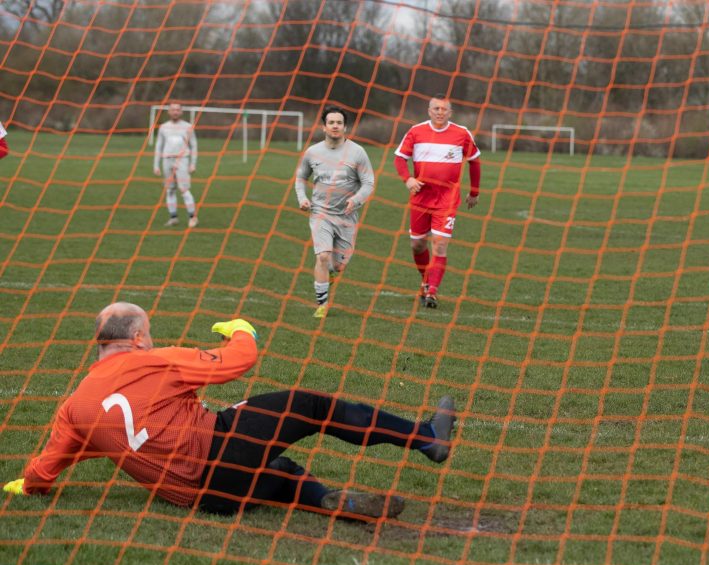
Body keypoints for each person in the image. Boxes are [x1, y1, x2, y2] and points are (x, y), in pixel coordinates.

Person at [2, 302, 456, 520]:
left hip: (206, 500)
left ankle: (337, 504)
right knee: (312, 406)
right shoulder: (151, 360)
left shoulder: (74, 405)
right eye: (150, 332)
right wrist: (241, 330)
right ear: (137, 338)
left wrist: (30, 483)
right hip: (217, 450)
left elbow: (53, 461)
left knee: (278, 467)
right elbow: (239, 362)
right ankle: (427, 438)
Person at [394, 94, 481, 309]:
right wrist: (408, 179)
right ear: (429, 110)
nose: (440, 113)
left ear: (450, 112)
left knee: (440, 246)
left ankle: (432, 291)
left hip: (447, 199)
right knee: (417, 245)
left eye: (444, 109)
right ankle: (425, 281)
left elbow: (474, 162)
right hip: (421, 197)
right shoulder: (416, 131)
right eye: (436, 109)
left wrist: (474, 192)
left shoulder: (461, 133)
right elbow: (399, 159)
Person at [295, 106, 375, 319]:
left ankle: (329, 274)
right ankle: (322, 304)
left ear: (345, 127)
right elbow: (301, 177)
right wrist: (302, 198)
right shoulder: (312, 152)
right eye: (331, 122)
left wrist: (356, 199)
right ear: (324, 127)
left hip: (347, 216)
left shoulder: (358, 152)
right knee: (322, 257)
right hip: (320, 212)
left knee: (338, 266)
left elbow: (369, 182)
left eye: (339, 122)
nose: (335, 126)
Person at [153, 103, 199, 228]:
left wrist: (193, 163)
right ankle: (173, 217)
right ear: (168, 112)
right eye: (173, 110)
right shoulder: (163, 127)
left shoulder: (188, 127)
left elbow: (193, 145)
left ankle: (193, 217)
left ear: (181, 112)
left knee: (184, 189)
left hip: (182, 159)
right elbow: (159, 146)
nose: (175, 112)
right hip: (167, 160)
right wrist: (156, 165)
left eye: (178, 110)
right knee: (170, 189)